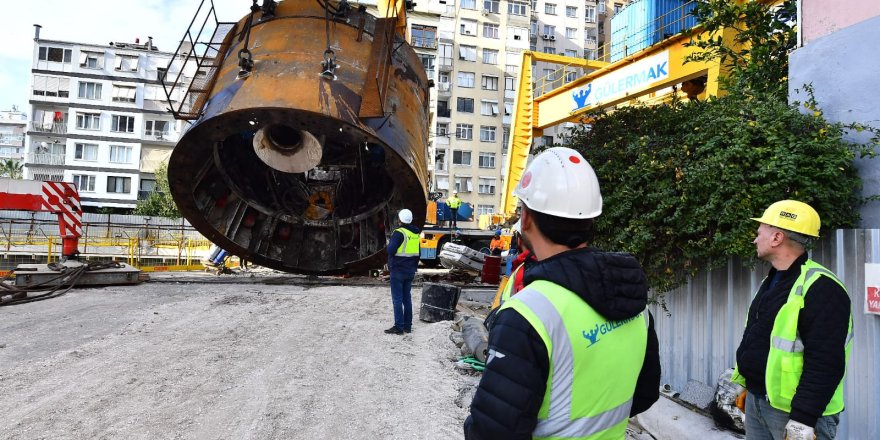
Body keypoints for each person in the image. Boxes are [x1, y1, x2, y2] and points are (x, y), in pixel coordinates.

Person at [464, 147, 661, 439]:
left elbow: (490, 433)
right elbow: (644, 395)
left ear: (526, 219)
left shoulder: (529, 315)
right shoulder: (633, 301)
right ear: (591, 219)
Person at [732, 200, 852, 440]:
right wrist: (749, 385)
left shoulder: (822, 288)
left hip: (796, 416)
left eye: (759, 233)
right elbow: (759, 338)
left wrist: (803, 420)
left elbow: (825, 362)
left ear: (776, 238)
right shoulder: (773, 281)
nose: (755, 239)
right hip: (759, 402)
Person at [384, 208, 420, 335]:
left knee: (397, 299)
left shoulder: (399, 233)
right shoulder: (415, 233)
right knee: (407, 299)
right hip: (410, 271)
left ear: (399, 219)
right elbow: (417, 253)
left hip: (398, 270)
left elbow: (390, 250)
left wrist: (389, 243)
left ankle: (399, 327)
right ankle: (407, 326)